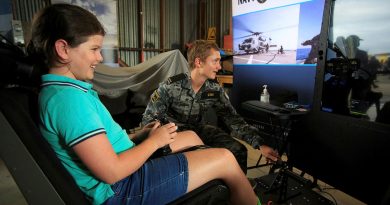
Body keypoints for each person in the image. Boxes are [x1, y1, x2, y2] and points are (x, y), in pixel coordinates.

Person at [28, 4, 259, 205]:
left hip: (123, 170)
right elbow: (112, 171)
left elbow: (102, 144)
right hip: (120, 189)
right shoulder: (68, 100)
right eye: (94, 49)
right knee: (225, 158)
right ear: (63, 49)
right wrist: (154, 142)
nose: (100, 57)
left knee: (191, 138)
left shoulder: (70, 91)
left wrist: (138, 137)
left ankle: (212, 188)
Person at [142, 40, 279, 174]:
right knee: (197, 158)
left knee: (238, 150)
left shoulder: (214, 90)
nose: (219, 67)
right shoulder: (170, 86)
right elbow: (149, 120)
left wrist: (259, 144)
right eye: (215, 61)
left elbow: (233, 119)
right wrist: (160, 144)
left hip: (198, 129)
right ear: (198, 62)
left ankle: (237, 191)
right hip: (173, 134)